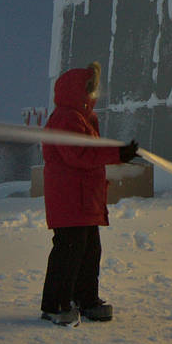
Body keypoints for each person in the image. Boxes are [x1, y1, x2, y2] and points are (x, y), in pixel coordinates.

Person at [40, 62, 138, 325]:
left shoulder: (83, 119)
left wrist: (118, 154)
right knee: (69, 252)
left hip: (83, 200)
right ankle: (55, 305)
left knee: (89, 251)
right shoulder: (65, 118)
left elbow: (88, 155)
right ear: (77, 91)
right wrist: (117, 154)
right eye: (90, 89)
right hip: (70, 200)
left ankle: (85, 299)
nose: (94, 94)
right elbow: (79, 155)